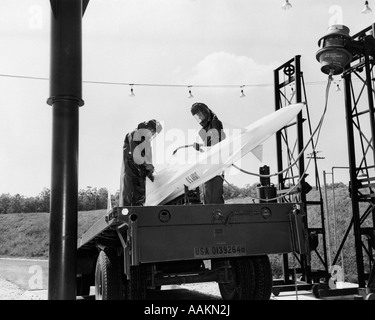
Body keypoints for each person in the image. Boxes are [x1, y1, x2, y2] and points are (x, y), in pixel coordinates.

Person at [119, 119, 162, 206]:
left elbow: (148, 161)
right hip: (130, 172)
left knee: (140, 201)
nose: (153, 134)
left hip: (140, 175)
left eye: (154, 133)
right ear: (147, 127)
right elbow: (135, 154)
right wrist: (147, 165)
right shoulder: (134, 134)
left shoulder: (147, 143)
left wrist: (150, 173)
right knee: (128, 197)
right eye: (152, 131)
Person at [191, 102, 226, 204]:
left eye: (201, 114)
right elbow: (208, 149)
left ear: (205, 112)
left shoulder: (215, 123)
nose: (200, 117)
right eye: (198, 116)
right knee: (208, 194)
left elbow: (216, 146)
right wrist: (200, 148)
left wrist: (201, 146)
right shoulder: (204, 129)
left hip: (216, 165)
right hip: (209, 165)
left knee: (214, 196)